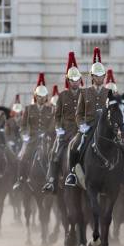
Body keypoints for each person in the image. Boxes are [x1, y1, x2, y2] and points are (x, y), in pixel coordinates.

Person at [65, 47, 110, 187]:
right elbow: (78, 114)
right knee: (74, 145)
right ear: (92, 77)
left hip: (105, 128)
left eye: (102, 76)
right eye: (97, 76)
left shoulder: (109, 92)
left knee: (121, 146)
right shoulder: (84, 93)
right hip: (89, 127)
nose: (100, 78)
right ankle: (72, 174)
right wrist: (82, 125)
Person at [42, 52, 83, 193]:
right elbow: (57, 116)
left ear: (80, 80)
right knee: (55, 153)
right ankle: (51, 181)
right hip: (65, 132)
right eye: (72, 80)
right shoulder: (62, 96)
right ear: (68, 81)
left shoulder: (85, 94)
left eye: (77, 79)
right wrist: (58, 128)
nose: (75, 82)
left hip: (81, 131)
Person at [13, 75, 53, 191]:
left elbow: (51, 125)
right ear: (36, 96)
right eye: (39, 96)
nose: (41, 99)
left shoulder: (50, 110)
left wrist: (47, 133)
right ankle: (20, 180)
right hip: (32, 138)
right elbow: (23, 126)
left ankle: (55, 179)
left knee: (54, 156)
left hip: (46, 139)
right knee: (23, 156)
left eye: (43, 96)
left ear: (46, 97)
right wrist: (25, 135)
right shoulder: (29, 109)